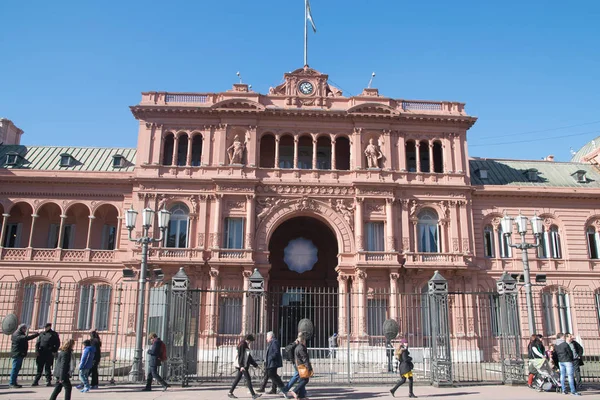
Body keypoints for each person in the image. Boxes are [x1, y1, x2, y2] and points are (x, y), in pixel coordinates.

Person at [228, 334, 262, 399]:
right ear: (248, 340)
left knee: (237, 379)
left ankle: (230, 392)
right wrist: (241, 366)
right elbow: (241, 356)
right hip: (243, 365)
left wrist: (255, 365)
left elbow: (248, 357)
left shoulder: (244, 344)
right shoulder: (242, 344)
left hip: (243, 365)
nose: (250, 342)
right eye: (250, 341)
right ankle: (253, 395)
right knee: (248, 379)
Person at [10, 323, 41, 388]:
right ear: (22, 328)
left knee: (17, 369)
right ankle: (12, 383)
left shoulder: (19, 334)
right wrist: (37, 334)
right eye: (25, 329)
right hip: (17, 354)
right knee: (15, 369)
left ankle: (14, 382)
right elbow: (27, 338)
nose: (25, 330)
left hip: (19, 354)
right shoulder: (17, 335)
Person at [33, 323, 61, 387]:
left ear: (49, 327)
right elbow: (38, 343)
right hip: (41, 353)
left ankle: (48, 381)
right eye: (44, 327)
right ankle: (36, 380)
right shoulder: (42, 334)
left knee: (47, 368)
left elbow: (57, 343)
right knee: (39, 367)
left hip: (49, 353)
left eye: (46, 327)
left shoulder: (54, 334)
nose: (45, 328)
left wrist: (54, 351)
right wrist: (37, 351)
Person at [288, 332, 311, 400]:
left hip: (299, 365)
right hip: (302, 366)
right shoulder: (301, 348)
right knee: (305, 380)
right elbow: (305, 358)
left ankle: (301, 396)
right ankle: (294, 390)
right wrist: (308, 367)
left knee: (302, 380)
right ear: (303, 340)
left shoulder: (298, 347)